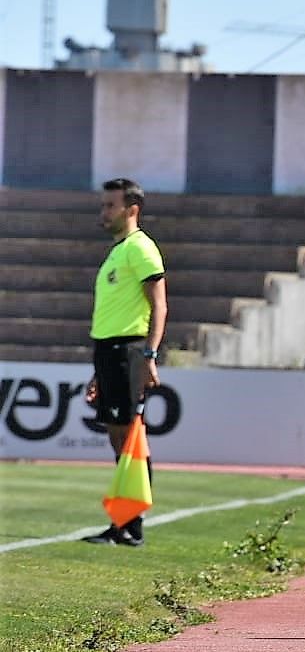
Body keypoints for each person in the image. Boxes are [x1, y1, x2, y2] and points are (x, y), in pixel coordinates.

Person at [82, 178, 168, 548]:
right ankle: (125, 521)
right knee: (118, 434)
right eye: (103, 205)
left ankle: (131, 524)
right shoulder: (118, 251)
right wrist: (97, 371)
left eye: (110, 206)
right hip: (109, 352)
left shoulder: (141, 249)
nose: (104, 212)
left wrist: (149, 355)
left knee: (129, 433)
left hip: (128, 351)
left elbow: (159, 305)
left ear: (131, 209)